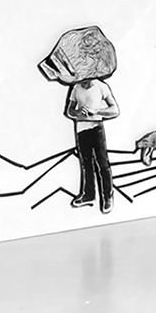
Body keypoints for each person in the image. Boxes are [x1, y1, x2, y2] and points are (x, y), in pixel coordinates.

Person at [65, 78, 120, 213]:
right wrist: (77, 112)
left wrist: (97, 111)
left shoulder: (101, 86)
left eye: (86, 80)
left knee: (103, 163)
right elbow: (69, 111)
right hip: (81, 128)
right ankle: (88, 195)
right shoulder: (76, 88)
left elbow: (115, 110)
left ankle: (107, 196)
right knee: (86, 163)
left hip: (96, 127)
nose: (83, 82)